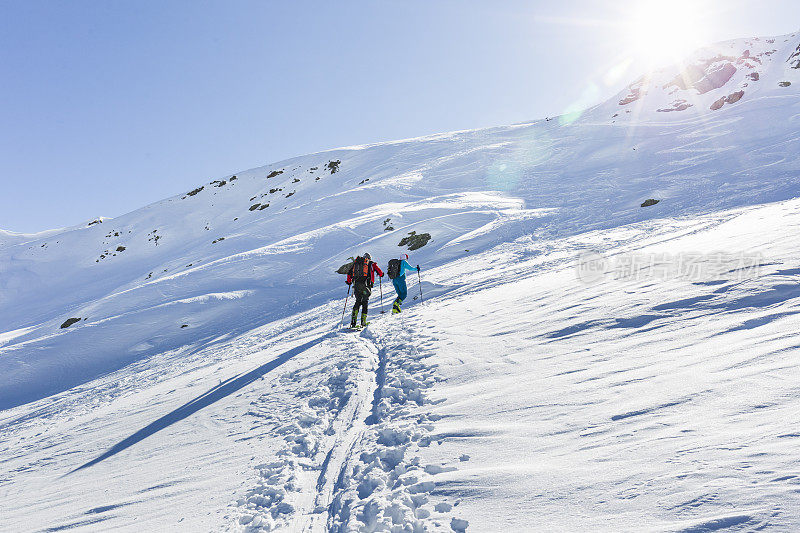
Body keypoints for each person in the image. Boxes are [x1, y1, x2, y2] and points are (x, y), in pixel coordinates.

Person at [346, 253, 384, 328]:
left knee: (358, 301)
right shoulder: (371, 264)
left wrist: (349, 282)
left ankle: (353, 323)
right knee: (365, 302)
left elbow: (349, 273)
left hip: (356, 285)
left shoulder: (356, 264)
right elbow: (380, 272)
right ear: (369, 258)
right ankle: (363, 322)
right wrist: (381, 274)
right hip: (366, 285)